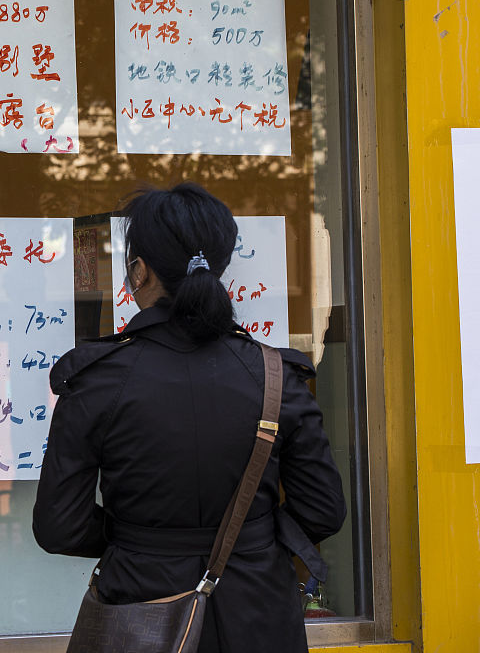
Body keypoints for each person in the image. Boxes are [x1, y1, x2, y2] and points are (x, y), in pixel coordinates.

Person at [33, 183, 346, 653]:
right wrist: (248, 539)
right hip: (260, 614)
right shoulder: (276, 375)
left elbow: (59, 526)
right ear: (218, 268)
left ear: (139, 271)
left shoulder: (97, 379)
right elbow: (323, 510)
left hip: (139, 611)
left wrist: (139, 539)